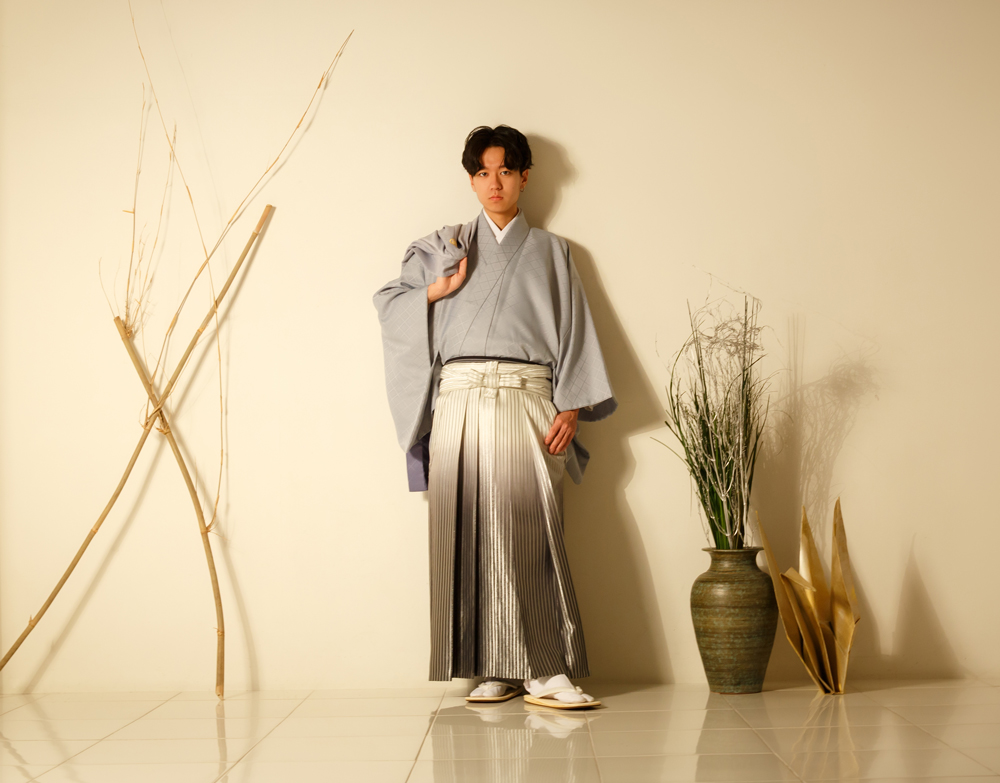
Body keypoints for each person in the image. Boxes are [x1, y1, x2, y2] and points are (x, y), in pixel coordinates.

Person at [373, 125, 616, 708]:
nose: (494, 184)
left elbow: (576, 330)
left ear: (525, 176)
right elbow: (390, 305)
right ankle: (492, 666)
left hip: (527, 398)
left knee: (530, 527)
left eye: (505, 171)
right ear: (471, 181)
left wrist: (571, 404)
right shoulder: (446, 246)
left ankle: (545, 668)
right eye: (482, 173)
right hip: (458, 401)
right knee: (466, 530)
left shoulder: (553, 252)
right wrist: (437, 290)